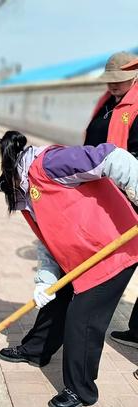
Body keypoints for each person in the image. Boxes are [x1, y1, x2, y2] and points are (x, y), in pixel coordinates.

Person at [0, 131, 138, 407]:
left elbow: (113, 157)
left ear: (7, 169)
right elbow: (49, 241)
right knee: (56, 296)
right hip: (81, 253)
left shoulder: (51, 164)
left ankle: (80, 390)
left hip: (114, 250)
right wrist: (44, 281)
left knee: (82, 318)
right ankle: (36, 350)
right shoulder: (25, 191)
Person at [84, 51, 138, 349]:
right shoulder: (108, 101)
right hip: (106, 190)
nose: (114, 86)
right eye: (110, 81)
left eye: (120, 81)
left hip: (131, 193)